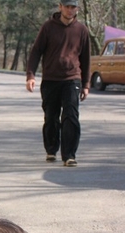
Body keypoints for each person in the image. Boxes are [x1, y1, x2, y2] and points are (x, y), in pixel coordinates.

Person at [26, 0, 91, 167]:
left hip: (72, 79)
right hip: (50, 80)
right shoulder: (48, 27)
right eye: (67, 6)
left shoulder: (81, 30)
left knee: (71, 116)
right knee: (51, 117)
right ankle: (51, 148)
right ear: (60, 7)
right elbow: (36, 52)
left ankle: (69, 155)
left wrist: (86, 84)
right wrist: (31, 75)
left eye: (73, 7)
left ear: (77, 9)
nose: (70, 10)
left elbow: (86, 59)